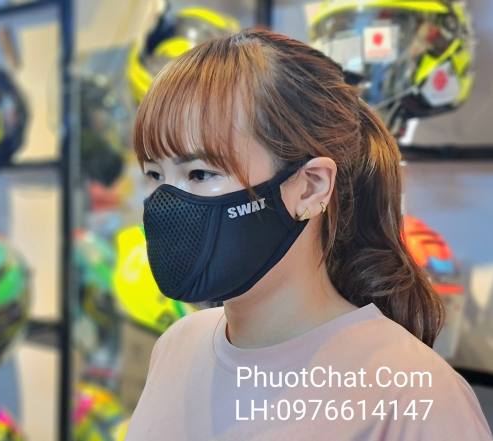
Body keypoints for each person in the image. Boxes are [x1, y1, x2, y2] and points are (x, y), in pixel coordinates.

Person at [125, 29, 492, 441]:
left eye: (200, 174)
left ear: (310, 187)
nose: (167, 201)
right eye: (154, 174)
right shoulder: (177, 347)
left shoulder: (416, 397)